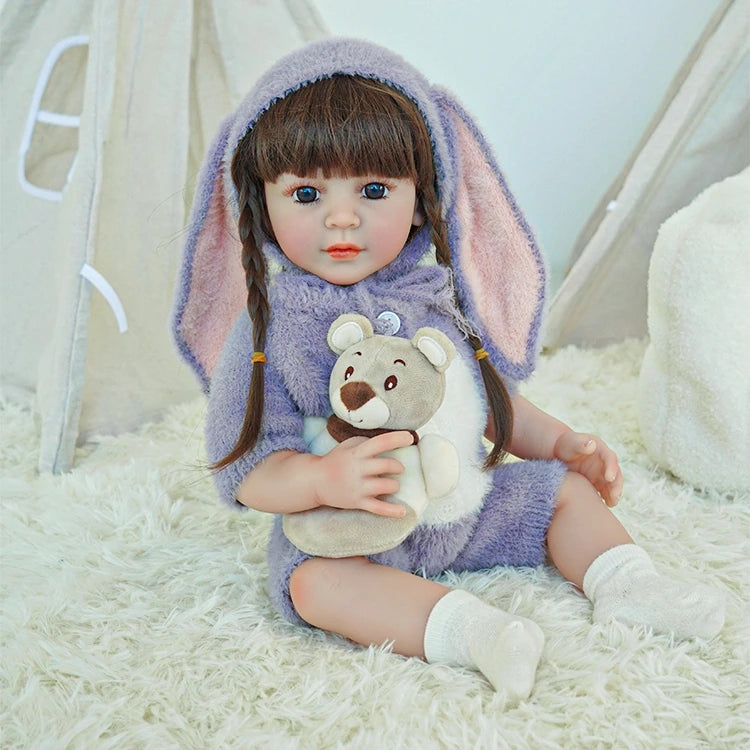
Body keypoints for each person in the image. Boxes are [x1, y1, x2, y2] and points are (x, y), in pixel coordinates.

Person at [173, 38, 725, 703]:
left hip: (465, 508)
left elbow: (487, 403)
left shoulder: (437, 295)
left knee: (562, 493)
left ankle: (628, 582)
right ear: (261, 201)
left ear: (421, 191)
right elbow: (247, 465)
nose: (342, 217)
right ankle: (475, 633)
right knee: (312, 585)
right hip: (351, 537)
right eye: (307, 192)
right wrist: (322, 476)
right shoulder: (269, 328)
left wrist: (561, 444)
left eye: (374, 189)